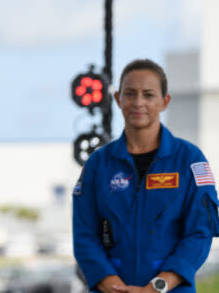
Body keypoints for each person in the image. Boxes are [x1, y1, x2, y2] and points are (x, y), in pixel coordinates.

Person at [73, 59, 219, 293]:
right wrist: (111, 284)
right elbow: (84, 235)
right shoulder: (98, 165)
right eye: (130, 94)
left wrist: (157, 287)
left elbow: (200, 232)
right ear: (118, 98)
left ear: (164, 101)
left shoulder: (190, 160)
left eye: (148, 95)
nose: (138, 103)